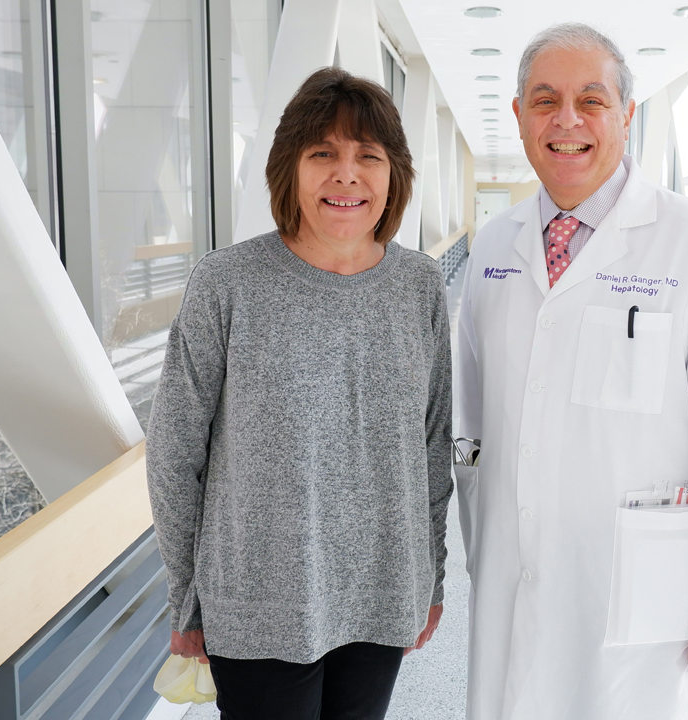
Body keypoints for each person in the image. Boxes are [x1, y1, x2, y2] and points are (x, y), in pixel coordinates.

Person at [453, 23, 688, 720]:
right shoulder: (496, 247)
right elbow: (470, 420)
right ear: (518, 118)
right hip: (514, 573)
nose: (566, 120)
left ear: (626, 116)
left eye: (591, 101)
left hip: (640, 595)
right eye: (544, 100)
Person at [146, 67, 452, 720]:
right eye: (323, 155)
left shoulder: (421, 287)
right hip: (259, 605)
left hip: (380, 593)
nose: (347, 176)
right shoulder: (227, 284)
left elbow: (432, 444)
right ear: (290, 169)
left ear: (393, 174)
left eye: (368, 157)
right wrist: (187, 597)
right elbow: (175, 452)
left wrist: (432, 578)